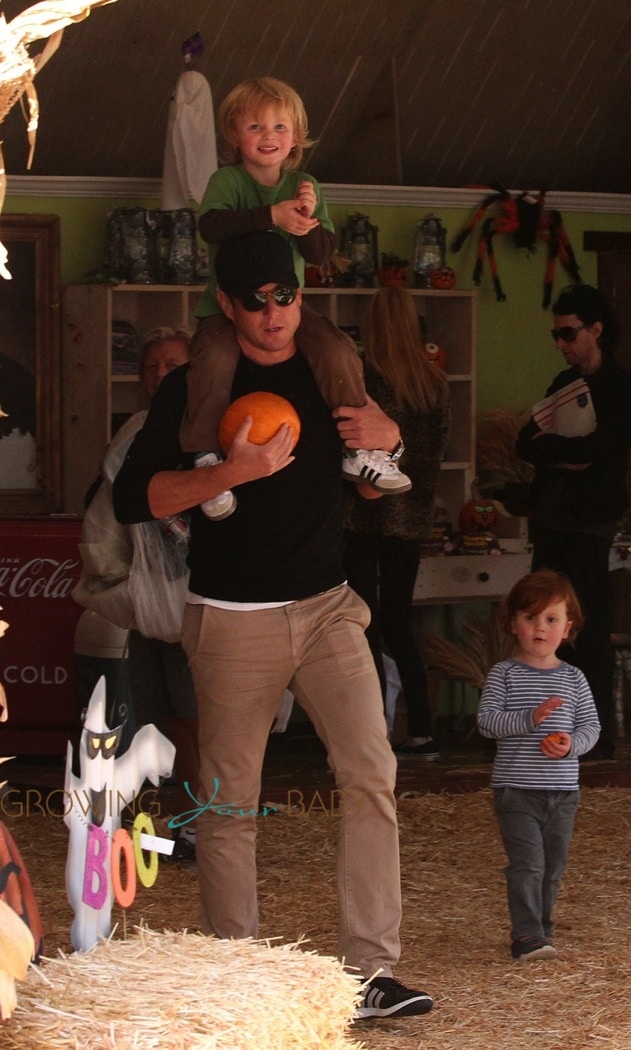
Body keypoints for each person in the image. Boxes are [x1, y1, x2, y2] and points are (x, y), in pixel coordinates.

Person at [112, 230, 433, 1020]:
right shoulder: (192, 386)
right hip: (230, 620)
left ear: (300, 295)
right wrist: (229, 474)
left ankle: (370, 973)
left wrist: (390, 439)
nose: (272, 312)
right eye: (253, 300)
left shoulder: (332, 373)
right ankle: (235, 979)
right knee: (229, 806)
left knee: (371, 773)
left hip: (327, 609)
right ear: (226, 304)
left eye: (284, 295)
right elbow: (133, 500)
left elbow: (377, 473)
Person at [180, 75, 409, 520]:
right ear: (234, 135)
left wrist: (307, 220)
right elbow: (211, 228)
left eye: (280, 127)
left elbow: (321, 253)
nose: (269, 137)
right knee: (212, 361)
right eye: (256, 127)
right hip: (230, 309)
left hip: (291, 307)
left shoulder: (305, 183)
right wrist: (271, 215)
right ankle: (206, 459)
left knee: (337, 348)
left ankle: (359, 448)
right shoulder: (226, 180)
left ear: (296, 137)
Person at [74, 327, 200, 866]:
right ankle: (190, 826)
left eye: (171, 364)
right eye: (150, 367)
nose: (159, 375)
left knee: (202, 723)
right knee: (164, 720)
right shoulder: (133, 434)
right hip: (148, 608)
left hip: (204, 604)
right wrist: (125, 586)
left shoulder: (208, 429)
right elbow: (107, 518)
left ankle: (209, 828)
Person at [515, 284, 631, 760]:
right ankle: (544, 728)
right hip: (551, 517)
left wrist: (558, 453)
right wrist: (562, 456)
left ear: (596, 330)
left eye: (569, 333)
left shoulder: (623, 387)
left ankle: (594, 737)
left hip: (591, 521)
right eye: (557, 335)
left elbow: (600, 454)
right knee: (543, 626)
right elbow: (526, 444)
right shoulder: (559, 384)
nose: (562, 343)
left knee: (587, 627)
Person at [343, 286, 449, 760]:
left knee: (363, 624)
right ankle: (423, 728)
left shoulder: (363, 381)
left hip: (363, 516)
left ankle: (371, 732)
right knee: (401, 625)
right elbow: (435, 455)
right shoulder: (434, 383)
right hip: (413, 519)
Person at [477, 570, 600, 962]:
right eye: (530, 618)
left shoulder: (574, 678)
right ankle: (527, 935)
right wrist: (531, 718)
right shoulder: (504, 675)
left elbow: (591, 727)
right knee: (527, 864)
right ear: (513, 624)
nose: (540, 628)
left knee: (553, 866)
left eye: (550, 619)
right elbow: (488, 722)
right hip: (517, 790)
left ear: (568, 627)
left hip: (563, 791)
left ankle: (544, 929)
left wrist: (569, 747)